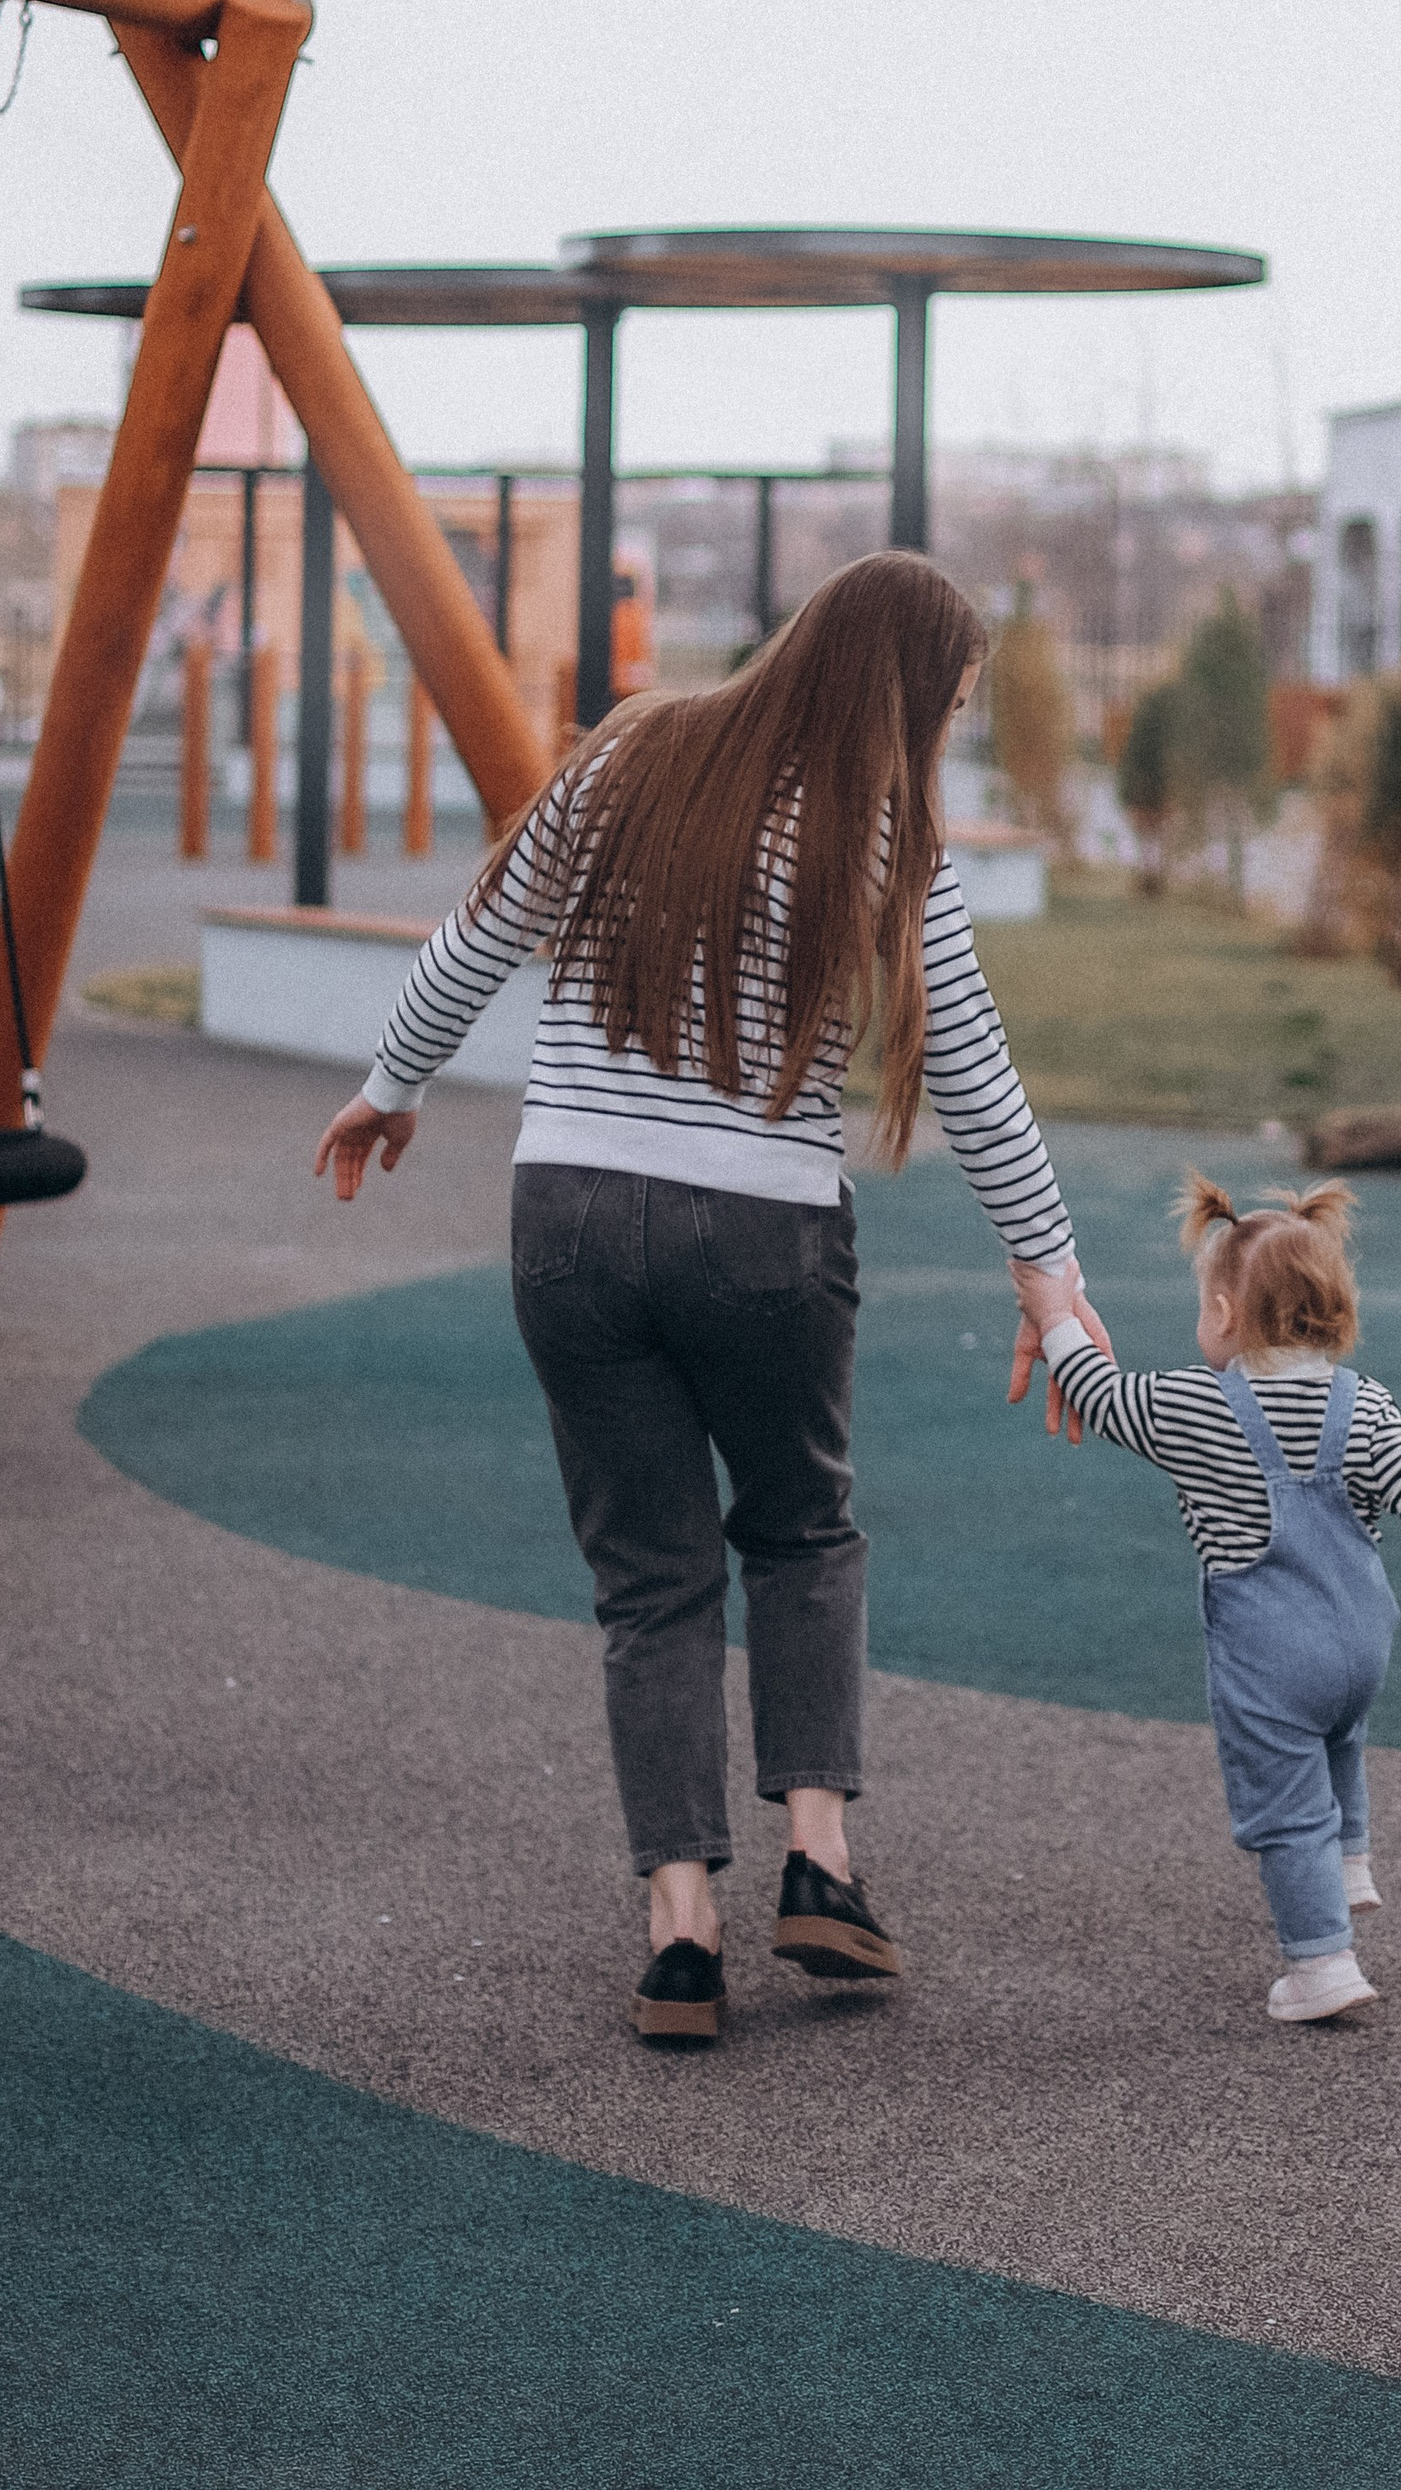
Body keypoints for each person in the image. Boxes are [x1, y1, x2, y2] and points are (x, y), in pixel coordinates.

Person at [313, 552, 1108, 2050]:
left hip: (568, 1217)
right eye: (948, 705)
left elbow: (477, 936)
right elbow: (971, 1066)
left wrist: (388, 1087)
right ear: (904, 694)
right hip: (761, 1231)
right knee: (800, 1527)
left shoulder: (628, 756)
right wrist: (1045, 1267)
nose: (945, 732)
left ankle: (681, 1934)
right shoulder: (881, 830)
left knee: (649, 1573)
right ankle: (820, 1858)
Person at [1013, 1171, 1401, 2026]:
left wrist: (1056, 1317)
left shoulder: (1196, 1406)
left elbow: (1102, 1396)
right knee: (1339, 1734)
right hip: (1362, 1640)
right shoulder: (1364, 1404)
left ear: (1225, 1314)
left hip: (1271, 1653)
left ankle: (1321, 1965)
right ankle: (1348, 1861)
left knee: (1285, 1803)